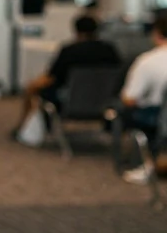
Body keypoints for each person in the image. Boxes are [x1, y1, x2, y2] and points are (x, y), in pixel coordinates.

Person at [12, 15, 121, 137]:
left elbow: (50, 78)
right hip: (103, 102)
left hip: (68, 101)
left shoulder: (70, 51)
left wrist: (32, 86)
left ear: (76, 31)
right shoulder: (110, 51)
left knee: (34, 89)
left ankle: (23, 128)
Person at [116, 16, 167, 184]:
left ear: (156, 34)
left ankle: (147, 161)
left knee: (123, 111)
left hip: (156, 117)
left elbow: (129, 99)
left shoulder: (147, 61)